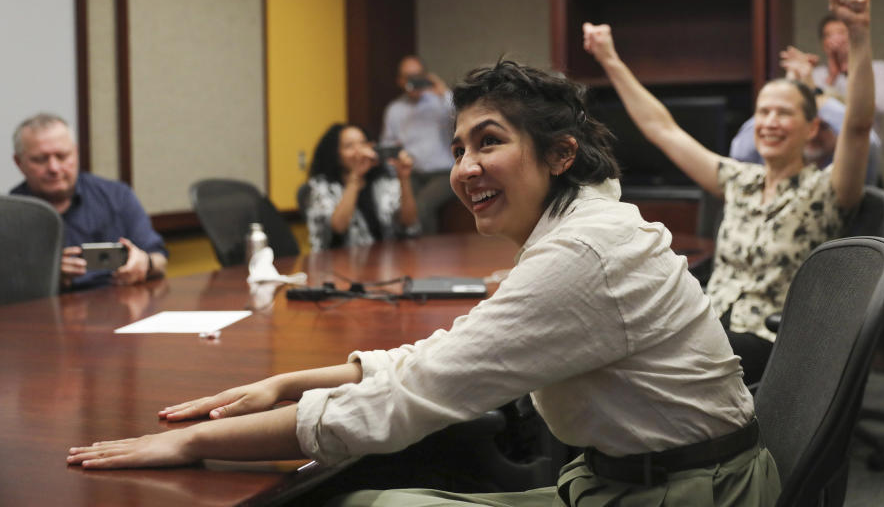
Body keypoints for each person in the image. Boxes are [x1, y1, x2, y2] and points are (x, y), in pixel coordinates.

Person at [68, 60, 779, 507]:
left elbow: (411, 399)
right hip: (649, 478)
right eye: (460, 148)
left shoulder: (582, 256)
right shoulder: (584, 227)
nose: (465, 167)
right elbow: (455, 349)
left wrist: (194, 445)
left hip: (686, 494)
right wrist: (293, 382)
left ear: (561, 155)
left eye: (489, 142)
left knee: (358, 502)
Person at [583, 0, 875, 386]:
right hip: (708, 322)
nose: (769, 122)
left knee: (643, 367)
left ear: (811, 128)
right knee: (607, 342)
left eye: (783, 113)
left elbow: (858, 128)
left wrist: (858, 35)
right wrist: (608, 58)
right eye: (763, 112)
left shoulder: (825, 190)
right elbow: (662, 129)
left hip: (769, 341)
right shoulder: (741, 179)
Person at [11, 113, 167, 290]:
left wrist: (146, 263)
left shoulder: (117, 196)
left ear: (76, 153)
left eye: (62, 156)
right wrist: (46, 276)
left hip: (118, 303)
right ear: (18, 162)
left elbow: (160, 259)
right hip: (43, 310)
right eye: (40, 159)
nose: (54, 168)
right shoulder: (8, 215)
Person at [729, 44, 883, 185]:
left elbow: (867, 141)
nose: (813, 134)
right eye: (802, 122)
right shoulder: (774, 165)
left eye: (822, 126)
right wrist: (785, 95)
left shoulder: (847, 173)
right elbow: (741, 150)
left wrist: (812, 95)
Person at [305, 123, 419, 251]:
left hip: (385, 260)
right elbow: (339, 227)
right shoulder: (321, 186)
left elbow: (408, 221)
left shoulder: (382, 180)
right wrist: (355, 177)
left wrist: (404, 178)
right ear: (335, 154)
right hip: (337, 262)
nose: (359, 151)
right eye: (349, 146)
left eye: (363, 143)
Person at [381, 55, 458, 234]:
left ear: (426, 75)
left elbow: (463, 117)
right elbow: (388, 145)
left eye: (418, 76)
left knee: (421, 206)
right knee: (398, 208)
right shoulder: (394, 110)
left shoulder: (441, 101)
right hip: (412, 173)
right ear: (400, 81)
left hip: (444, 173)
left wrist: (443, 92)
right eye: (408, 77)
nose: (414, 82)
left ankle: (427, 257)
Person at [812, 12, 884, 135]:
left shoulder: (878, 69)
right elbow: (816, 112)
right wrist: (832, 77)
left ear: (854, 37)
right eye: (828, 35)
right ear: (823, 44)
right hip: (827, 148)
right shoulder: (817, 75)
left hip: (866, 146)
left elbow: (882, 106)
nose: (836, 39)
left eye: (841, 33)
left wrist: (852, 71)